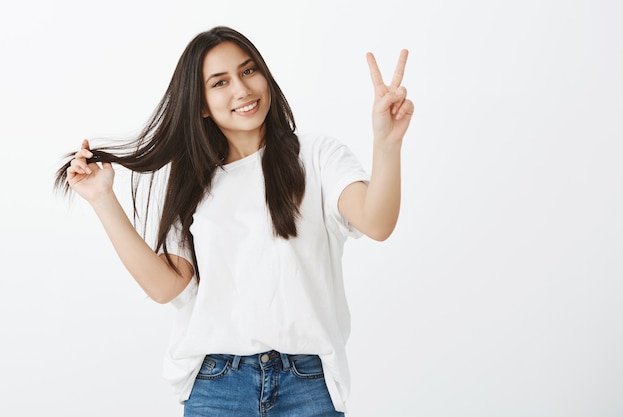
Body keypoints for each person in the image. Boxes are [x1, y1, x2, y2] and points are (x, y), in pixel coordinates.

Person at [54, 25, 413, 417]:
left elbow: (377, 223)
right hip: (218, 387)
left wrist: (387, 141)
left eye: (248, 71)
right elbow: (166, 287)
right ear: (202, 104)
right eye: (220, 82)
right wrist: (103, 200)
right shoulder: (193, 184)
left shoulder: (317, 156)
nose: (242, 90)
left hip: (308, 386)